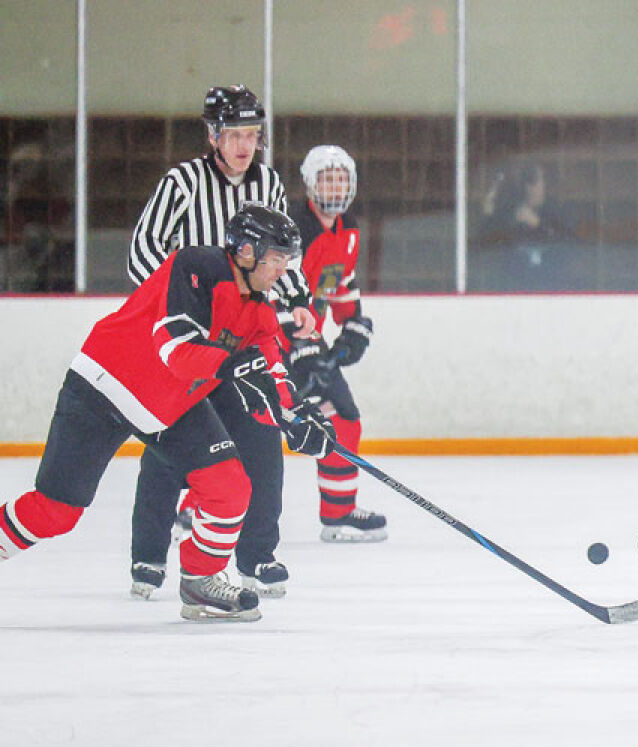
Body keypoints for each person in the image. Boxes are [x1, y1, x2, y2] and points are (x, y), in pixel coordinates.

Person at [0, 204, 332, 622]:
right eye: (278, 259)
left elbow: (274, 377)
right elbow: (176, 350)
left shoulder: (261, 314)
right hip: (105, 385)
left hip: (168, 407)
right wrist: (234, 366)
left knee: (229, 487)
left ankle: (200, 579)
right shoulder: (195, 265)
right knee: (56, 512)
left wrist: (297, 419)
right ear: (247, 250)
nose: (283, 271)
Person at [125, 85, 316, 600]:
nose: (243, 145)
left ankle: (257, 554)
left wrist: (297, 299)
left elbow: (285, 258)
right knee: (168, 450)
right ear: (213, 135)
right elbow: (144, 251)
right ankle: (147, 556)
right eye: (234, 134)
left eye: (252, 135)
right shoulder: (183, 182)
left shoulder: (269, 182)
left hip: (243, 336)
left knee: (260, 440)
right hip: (190, 342)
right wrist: (178, 314)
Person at [285, 145, 387, 542]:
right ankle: (193, 511)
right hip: (271, 346)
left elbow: (337, 281)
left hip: (309, 346)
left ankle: (338, 513)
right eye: (327, 178)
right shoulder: (295, 228)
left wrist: (353, 323)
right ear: (310, 184)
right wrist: (298, 348)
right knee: (246, 429)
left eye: (341, 178)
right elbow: (277, 289)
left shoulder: (348, 230)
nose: (335, 186)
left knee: (343, 419)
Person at [472, 160, 572, 291]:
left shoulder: (555, 211)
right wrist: (488, 216)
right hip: (512, 289)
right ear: (525, 186)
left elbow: (569, 246)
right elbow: (481, 245)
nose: (542, 187)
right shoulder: (509, 212)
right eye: (535, 181)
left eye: (543, 182)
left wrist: (538, 224)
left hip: (550, 288)